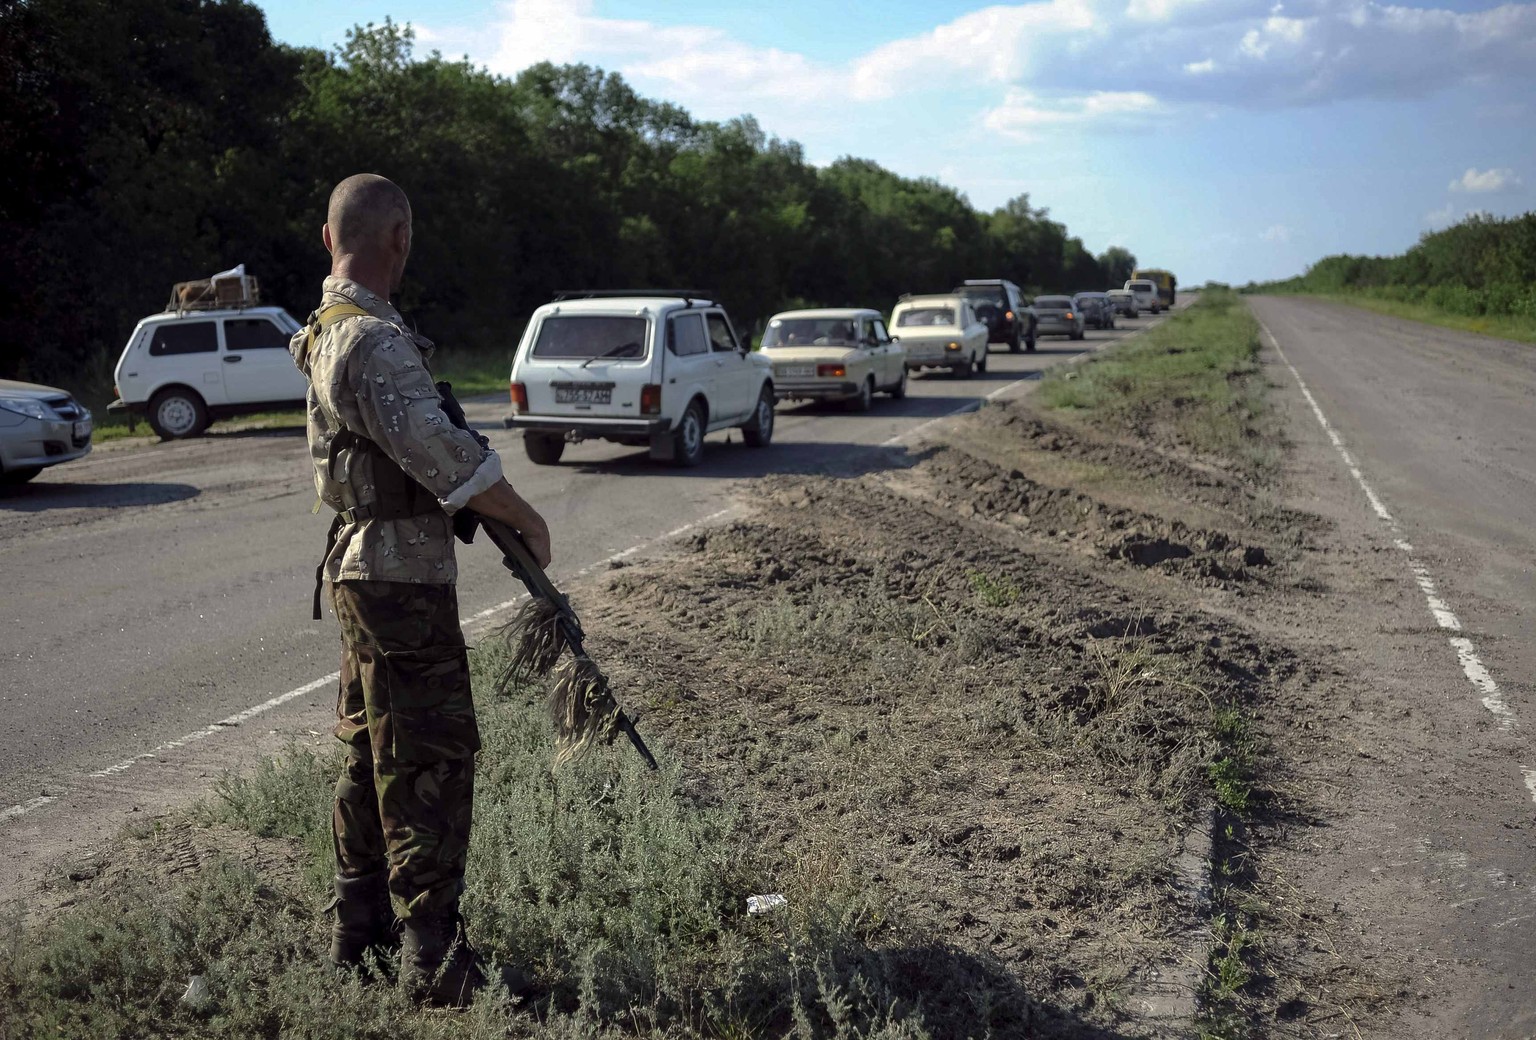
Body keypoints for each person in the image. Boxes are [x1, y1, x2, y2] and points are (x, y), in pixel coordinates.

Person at [289, 173, 552, 1006]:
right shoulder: (371, 339)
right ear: (398, 238)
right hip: (398, 581)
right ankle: (433, 960)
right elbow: (436, 450)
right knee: (431, 758)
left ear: (329, 240)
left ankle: (355, 934)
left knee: (371, 753)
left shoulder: (328, 328)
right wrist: (520, 512)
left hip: (363, 573)